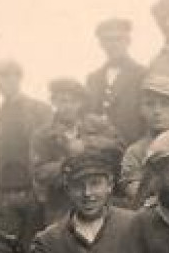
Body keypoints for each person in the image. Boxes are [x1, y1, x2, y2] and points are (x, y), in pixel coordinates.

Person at [0, 58, 55, 251]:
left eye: (7, 77)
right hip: (6, 195)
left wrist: (46, 193)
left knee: (37, 248)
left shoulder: (40, 111)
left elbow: (52, 150)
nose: (2, 83)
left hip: (34, 192)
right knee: (6, 250)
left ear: (19, 78)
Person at [30, 77, 123, 225]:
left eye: (72, 101)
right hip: (61, 204)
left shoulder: (97, 125)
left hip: (97, 200)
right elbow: (39, 172)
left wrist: (87, 144)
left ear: (80, 103)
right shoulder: (43, 135)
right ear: (53, 102)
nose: (67, 106)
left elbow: (118, 147)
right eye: (62, 101)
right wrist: (66, 162)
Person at [116, 73, 169, 205]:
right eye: (150, 104)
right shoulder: (135, 153)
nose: (157, 111)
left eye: (165, 104)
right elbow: (137, 197)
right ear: (141, 110)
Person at [85, 17, 150, 146]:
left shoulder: (143, 74)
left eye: (118, 39)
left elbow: (149, 117)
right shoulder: (92, 79)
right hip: (98, 152)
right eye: (107, 40)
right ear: (101, 44)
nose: (113, 44)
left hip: (131, 149)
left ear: (128, 41)